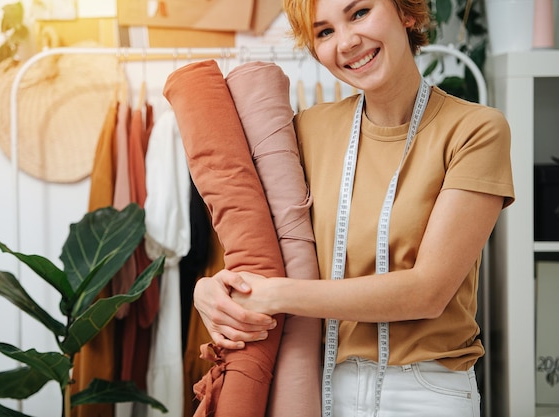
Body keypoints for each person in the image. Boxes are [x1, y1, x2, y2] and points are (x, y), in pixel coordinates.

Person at [192, 0, 515, 415]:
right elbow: (262, 252)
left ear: (407, 12)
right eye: (324, 32)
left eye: (359, 12)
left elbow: (428, 292)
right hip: (317, 387)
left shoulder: (475, 130)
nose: (346, 42)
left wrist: (276, 295)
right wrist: (211, 290)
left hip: (426, 391)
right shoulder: (306, 130)